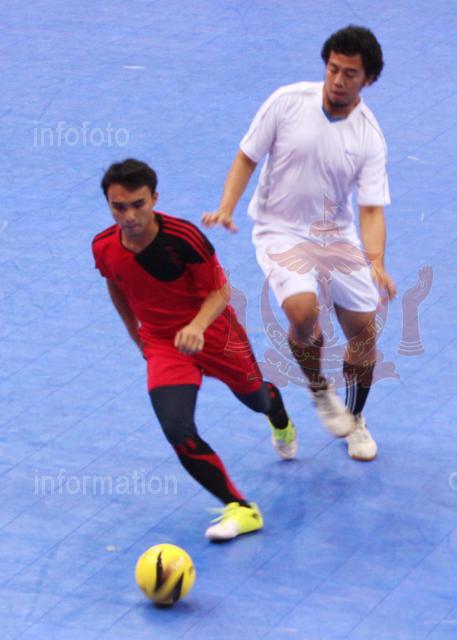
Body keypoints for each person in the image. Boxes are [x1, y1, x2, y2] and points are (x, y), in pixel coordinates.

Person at [202, 25, 396, 461]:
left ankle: (355, 419)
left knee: (364, 332)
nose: (338, 80)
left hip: (335, 234)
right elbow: (247, 156)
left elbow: (370, 209)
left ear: (368, 79)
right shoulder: (286, 102)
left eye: (350, 73)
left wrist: (376, 261)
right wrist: (227, 206)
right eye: (333, 68)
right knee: (302, 313)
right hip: (279, 228)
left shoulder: (369, 136)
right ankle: (319, 388)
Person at [92, 158, 297, 541]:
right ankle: (240, 508)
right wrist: (136, 335)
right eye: (118, 207)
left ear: (154, 199)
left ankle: (280, 418)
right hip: (164, 345)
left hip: (215, 334)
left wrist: (197, 326)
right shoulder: (103, 246)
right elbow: (116, 284)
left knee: (257, 399)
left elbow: (220, 291)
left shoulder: (184, 238)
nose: (129, 216)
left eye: (138, 204)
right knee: (177, 429)